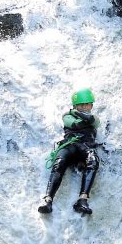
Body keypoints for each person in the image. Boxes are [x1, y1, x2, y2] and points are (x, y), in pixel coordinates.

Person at [38, 88, 99, 216]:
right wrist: (85, 119)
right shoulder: (67, 116)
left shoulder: (93, 118)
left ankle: (82, 200)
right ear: (75, 105)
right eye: (81, 105)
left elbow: (95, 122)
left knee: (93, 161)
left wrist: (87, 118)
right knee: (59, 163)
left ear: (91, 105)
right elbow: (75, 124)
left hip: (86, 146)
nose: (84, 107)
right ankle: (48, 200)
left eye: (87, 104)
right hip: (70, 145)